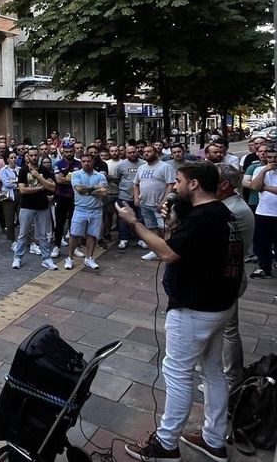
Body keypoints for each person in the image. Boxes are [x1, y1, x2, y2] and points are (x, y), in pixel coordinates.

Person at [120, 162, 243, 462]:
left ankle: (166, 445)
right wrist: (174, 223)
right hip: (218, 305)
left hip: (194, 308)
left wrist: (134, 223)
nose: (174, 186)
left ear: (195, 184)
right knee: (212, 371)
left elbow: (168, 253)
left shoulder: (205, 217)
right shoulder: (220, 213)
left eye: (178, 181)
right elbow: (190, 247)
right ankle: (213, 439)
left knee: (177, 374)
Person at [214, 164, 254, 392]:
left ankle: (232, 380)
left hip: (227, 277)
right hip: (229, 274)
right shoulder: (228, 205)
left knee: (228, 330)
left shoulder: (232, 210)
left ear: (225, 185)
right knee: (225, 329)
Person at [12, 147, 57, 270]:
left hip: (42, 206)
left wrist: (38, 176)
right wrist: (41, 188)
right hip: (27, 206)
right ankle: (17, 257)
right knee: (23, 233)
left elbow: (52, 188)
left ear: (39, 156)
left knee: (43, 235)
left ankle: (46, 258)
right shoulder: (23, 170)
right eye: (31, 155)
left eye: (35, 155)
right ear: (27, 156)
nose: (33, 157)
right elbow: (22, 190)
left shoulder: (44, 170)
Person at [64, 153, 108, 270]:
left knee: (92, 235)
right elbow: (79, 189)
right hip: (80, 209)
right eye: (84, 161)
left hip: (96, 209)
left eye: (89, 161)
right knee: (74, 235)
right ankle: (70, 258)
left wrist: (88, 190)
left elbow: (103, 192)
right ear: (81, 162)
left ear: (93, 162)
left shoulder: (100, 176)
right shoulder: (76, 174)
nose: (86, 163)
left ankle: (89, 258)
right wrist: (94, 188)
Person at [134, 146, 176, 261]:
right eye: (144, 152)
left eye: (149, 151)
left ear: (156, 152)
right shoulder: (141, 168)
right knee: (151, 227)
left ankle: (167, 251)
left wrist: (164, 201)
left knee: (165, 228)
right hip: (145, 204)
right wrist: (136, 198)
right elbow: (136, 184)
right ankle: (155, 250)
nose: (146, 153)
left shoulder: (165, 167)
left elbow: (170, 185)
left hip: (160, 205)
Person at [249, 146, 277, 278]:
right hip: (264, 212)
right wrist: (265, 170)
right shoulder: (260, 169)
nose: (272, 160)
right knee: (263, 243)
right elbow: (254, 186)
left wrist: (264, 187)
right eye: (269, 157)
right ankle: (265, 268)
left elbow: (260, 187)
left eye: (275, 158)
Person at [52, 142, 82, 258]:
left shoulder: (79, 164)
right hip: (61, 197)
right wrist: (75, 181)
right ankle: (57, 246)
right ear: (63, 152)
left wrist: (68, 180)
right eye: (66, 151)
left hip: (75, 198)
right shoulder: (58, 164)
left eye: (71, 151)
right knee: (59, 223)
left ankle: (75, 247)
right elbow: (58, 180)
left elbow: (82, 180)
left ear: (74, 151)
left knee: (74, 223)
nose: (69, 154)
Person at [116, 145, 144, 249]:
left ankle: (142, 239)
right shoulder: (121, 165)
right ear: (125, 153)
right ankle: (124, 239)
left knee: (141, 218)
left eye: (133, 152)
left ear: (137, 152)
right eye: (129, 153)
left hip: (141, 196)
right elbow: (117, 179)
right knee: (123, 219)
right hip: (124, 196)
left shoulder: (144, 164)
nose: (132, 154)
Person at [0, 152, 19, 247]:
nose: (14, 159)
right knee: (9, 219)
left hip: (20, 194)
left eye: (15, 157)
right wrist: (17, 182)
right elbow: (6, 184)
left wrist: (14, 182)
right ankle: (12, 241)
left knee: (22, 218)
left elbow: (23, 181)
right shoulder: (3, 170)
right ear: (8, 159)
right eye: (11, 157)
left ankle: (27, 240)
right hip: (8, 196)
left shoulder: (20, 169)